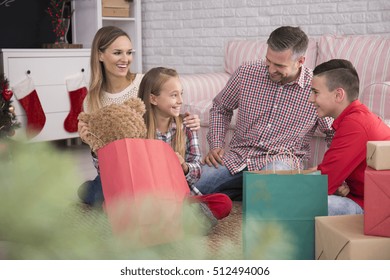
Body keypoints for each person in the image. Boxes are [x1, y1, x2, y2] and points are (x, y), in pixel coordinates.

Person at [194, 26, 334, 200]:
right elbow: (221, 107)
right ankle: (240, 194)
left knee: (268, 199)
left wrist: (332, 171)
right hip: (238, 156)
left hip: (281, 161)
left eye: (279, 65)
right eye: (268, 61)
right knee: (193, 185)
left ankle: (240, 195)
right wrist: (216, 144)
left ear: (300, 61)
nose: (271, 69)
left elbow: (334, 133)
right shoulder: (246, 72)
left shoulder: (316, 88)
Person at [77, 26, 200, 206]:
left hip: (147, 166)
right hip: (117, 170)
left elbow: (169, 106)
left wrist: (189, 120)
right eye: (118, 53)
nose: (125, 59)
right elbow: (105, 161)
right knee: (103, 195)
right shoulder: (92, 101)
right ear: (100, 55)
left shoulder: (143, 83)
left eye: (129, 52)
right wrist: (92, 144)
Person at [138, 67, 232, 223]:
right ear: (153, 99)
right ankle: (185, 221)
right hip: (148, 197)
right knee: (114, 204)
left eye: (181, 94)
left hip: (179, 197)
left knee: (223, 202)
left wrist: (184, 167)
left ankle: (175, 219)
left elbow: (197, 170)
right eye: (174, 95)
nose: (180, 101)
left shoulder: (186, 126)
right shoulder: (139, 128)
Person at [309, 59, 390, 215]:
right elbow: (330, 175)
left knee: (307, 202)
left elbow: (324, 183)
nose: (310, 99)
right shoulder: (356, 118)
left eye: (316, 92)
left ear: (339, 95)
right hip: (362, 197)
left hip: (375, 209)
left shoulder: (355, 125)